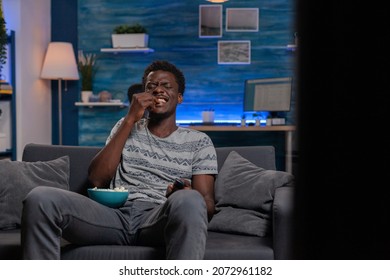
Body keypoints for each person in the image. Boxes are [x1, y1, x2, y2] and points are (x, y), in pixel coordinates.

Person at [21, 60, 218, 260]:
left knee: (192, 200)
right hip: (113, 216)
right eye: (151, 87)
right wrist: (130, 119)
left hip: (158, 219)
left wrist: (184, 195)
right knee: (40, 197)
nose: (158, 90)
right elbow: (97, 179)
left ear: (179, 97)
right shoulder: (124, 126)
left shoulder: (199, 142)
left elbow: (207, 205)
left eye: (166, 86)